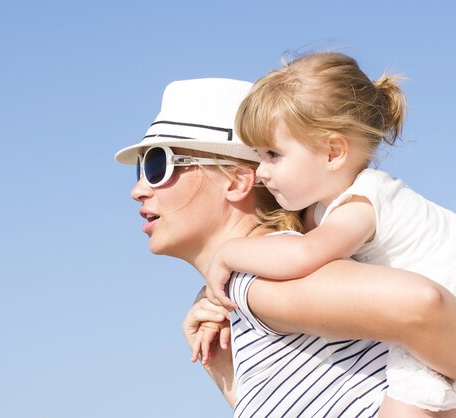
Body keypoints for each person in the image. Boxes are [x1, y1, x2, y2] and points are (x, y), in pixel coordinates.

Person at [114, 78, 456, 417]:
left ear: (236, 181)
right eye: (140, 170)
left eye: (158, 165)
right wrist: (223, 370)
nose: (139, 189)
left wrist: (237, 273)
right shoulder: (249, 290)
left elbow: (422, 306)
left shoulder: (257, 279)